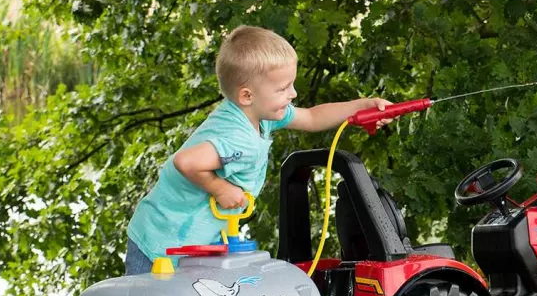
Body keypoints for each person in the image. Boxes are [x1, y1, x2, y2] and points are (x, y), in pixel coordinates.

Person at [124, 25, 391, 274]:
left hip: (185, 241)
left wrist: (362, 106)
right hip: (159, 244)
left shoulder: (257, 115)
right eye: (283, 88)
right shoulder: (239, 137)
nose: (293, 94)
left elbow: (310, 117)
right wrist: (220, 188)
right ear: (248, 96)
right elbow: (185, 162)